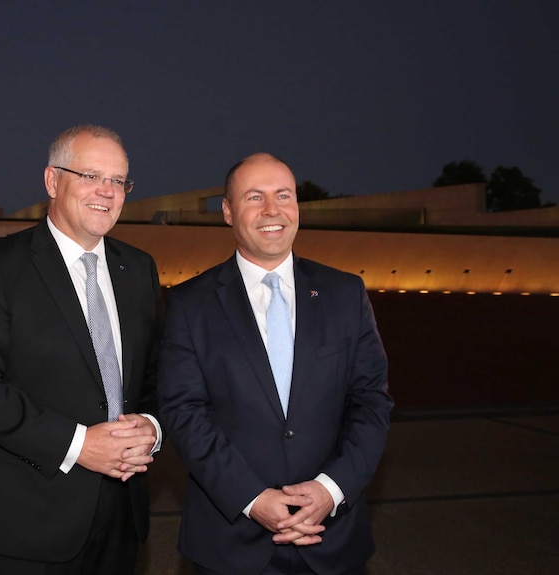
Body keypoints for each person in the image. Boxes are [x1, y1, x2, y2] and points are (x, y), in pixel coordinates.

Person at [0, 125, 163, 575]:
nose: (107, 192)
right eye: (90, 175)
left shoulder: (138, 269)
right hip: (30, 521)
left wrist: (152, 427)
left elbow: (155, 376)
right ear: (52, 181)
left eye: (119, 181)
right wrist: (79, 444)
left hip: (122, 517)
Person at [158, 153, 392, 575]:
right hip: (229, 544)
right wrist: (251, 497)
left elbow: (371, 403)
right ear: (228, 212)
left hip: (332, 538)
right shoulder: (189, 304)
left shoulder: (345, 294)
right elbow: (184, 412)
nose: (272, 210)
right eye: (254, 197)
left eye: (283, 195)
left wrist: (330, 490)